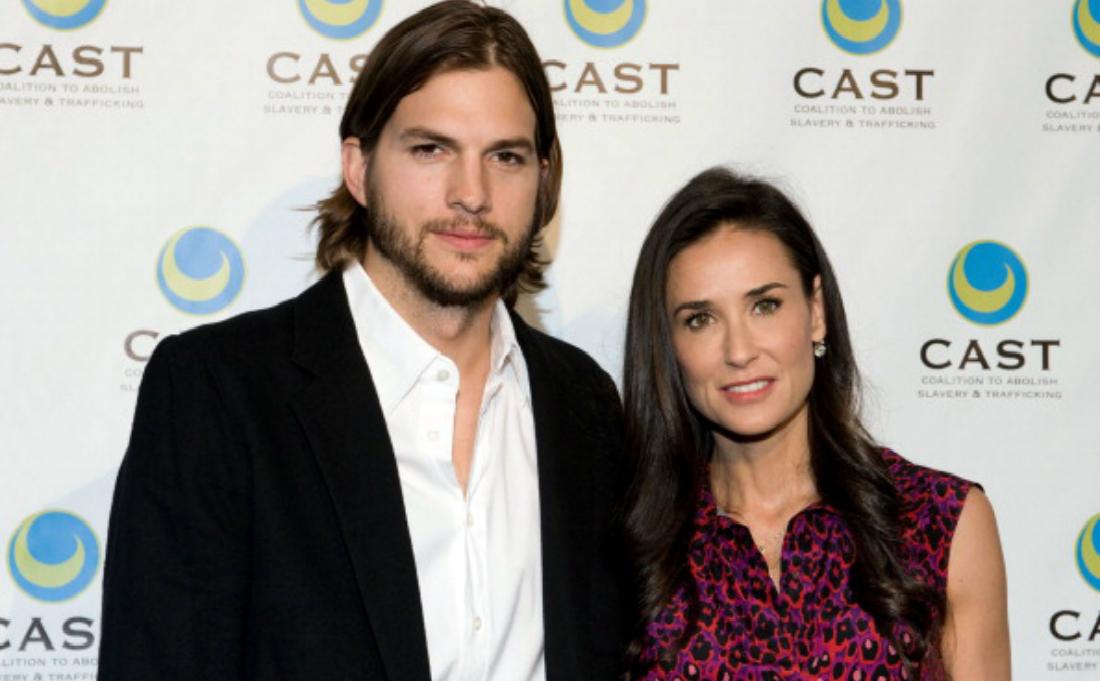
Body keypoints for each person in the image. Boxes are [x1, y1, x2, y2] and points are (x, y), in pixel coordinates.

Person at [97, 3, 631, 680]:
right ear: (358, 167)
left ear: (544, 180)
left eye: (506, 156)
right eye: (431, 148)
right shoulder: (219, 391)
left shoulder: (583, 403)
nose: (472, 193)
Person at [622, 167, 1010, 679]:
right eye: (701, 319)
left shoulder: (939, 521)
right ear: (668, 346)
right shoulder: (631, 547)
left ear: (816, 311)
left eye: (765, 305)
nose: (739, 351)